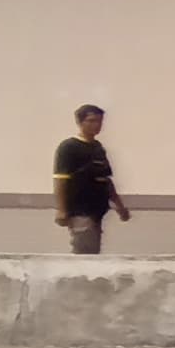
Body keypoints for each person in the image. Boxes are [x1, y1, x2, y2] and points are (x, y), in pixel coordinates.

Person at [52, 105, 124, 252]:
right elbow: (61, 180)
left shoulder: (98, 148)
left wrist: (119, 206)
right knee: (84, 252)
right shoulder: (69, 147)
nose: (96, 125)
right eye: (91, 121)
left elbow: (106, 179)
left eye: (99, 121)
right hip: (80, 210)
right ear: (80, 122)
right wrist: (61, 210)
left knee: (93, 250)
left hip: (97, 210)